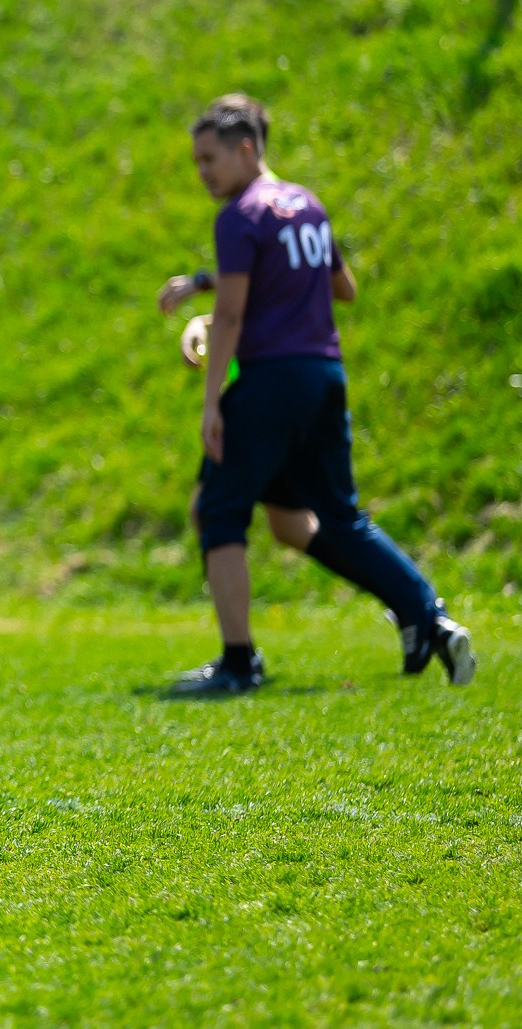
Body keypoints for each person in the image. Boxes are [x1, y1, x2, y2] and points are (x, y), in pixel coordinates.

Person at [156, 94, 477, 696]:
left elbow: (229, 317)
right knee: (317, 519)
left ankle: (237, 663)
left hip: (269, 383)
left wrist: (210, 401)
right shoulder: (308, 205)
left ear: (246, 149)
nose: (202, 173)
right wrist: (214, 284)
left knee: (218, 510)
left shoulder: (239, 217)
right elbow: (343, 288)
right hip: (323, 378)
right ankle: (425, 613)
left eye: (209, 159)